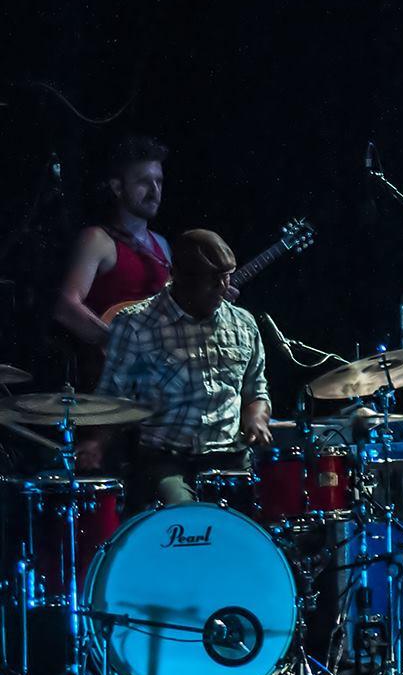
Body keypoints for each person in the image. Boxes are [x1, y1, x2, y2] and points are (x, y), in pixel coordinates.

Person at [76, 230, 274, 507]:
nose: (222, 287)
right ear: (180, 276)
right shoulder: (136, 325)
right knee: (184, 515)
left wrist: (256, 417)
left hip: (230, 458)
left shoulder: (243, 324)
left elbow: (256, 390)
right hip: (165, 460)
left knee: (256, 518)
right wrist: (96, 443)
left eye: (226, 276)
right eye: (211, 279)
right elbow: (112, 396)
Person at [51, 136, 174, 390]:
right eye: (144, 182)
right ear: (118, 188)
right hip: (109, 384)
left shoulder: (162, 245)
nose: (155, 191)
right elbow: (65, 306)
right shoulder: (97, 239)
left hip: (156, 384)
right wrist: (120, 343)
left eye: (159, 181)